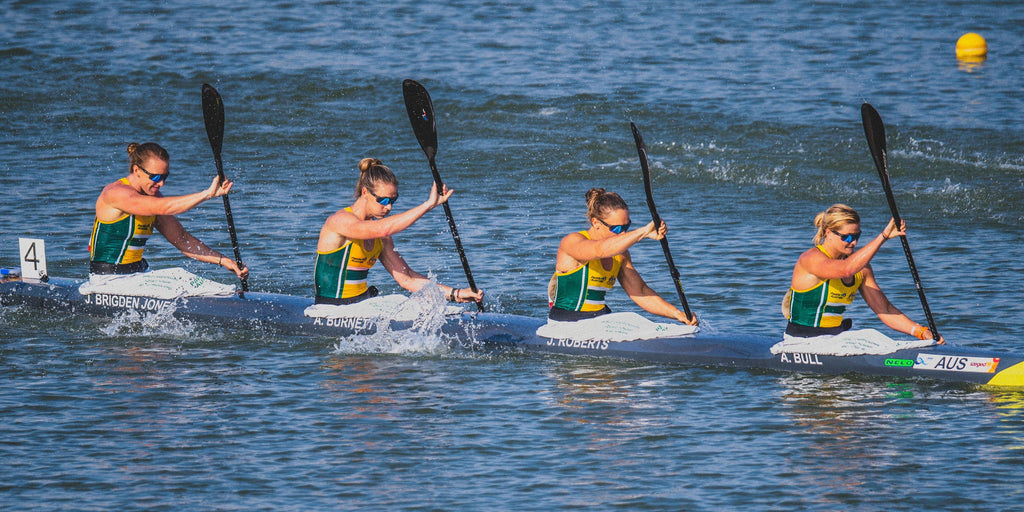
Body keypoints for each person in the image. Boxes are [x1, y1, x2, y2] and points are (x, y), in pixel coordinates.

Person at [313, 157, 484, 305]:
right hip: (330, 308)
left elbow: (407, 278)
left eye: (393, 200)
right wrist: (427, 205)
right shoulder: (340, 221)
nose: (388, 207)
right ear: (365, 192)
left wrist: (457, 294)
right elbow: (384, 228)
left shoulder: (382, 237)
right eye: (383, 200)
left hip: (360, 306)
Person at [784, 203, 942, 343]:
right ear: (828, 233)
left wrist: (921, 332)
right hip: (802, 341)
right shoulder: (811, 259)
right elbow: (846, 269)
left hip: (835, 339)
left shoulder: (862, 269)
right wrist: (884, 236)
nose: (854, 242)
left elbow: (885, 310)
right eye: (847, 237)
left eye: (857, 236)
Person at [89, 142, 248, 278]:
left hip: (138, 275)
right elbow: (163, 207)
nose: (161, 184)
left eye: (165, 177)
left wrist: (225, 261)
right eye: (156, 178)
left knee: (185, 278)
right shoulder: (116, 193)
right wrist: (207, 194)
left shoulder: (154, 196)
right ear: (137, 170)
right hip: (108, 279)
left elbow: (182, 239)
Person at [548, 188, 698, 325]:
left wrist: (678, 314)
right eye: (617, 228)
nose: (623, 234)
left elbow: (640, 291)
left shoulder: (621, 254)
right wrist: (643, 232)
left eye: (627, 227)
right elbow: (600, 250)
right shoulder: (572, 242)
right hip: (566, 322)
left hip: (599, 320)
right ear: (596, 223)